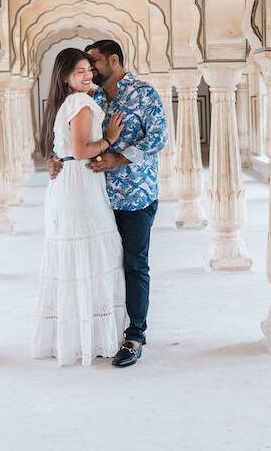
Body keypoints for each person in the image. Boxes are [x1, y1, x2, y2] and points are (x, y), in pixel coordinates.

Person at [47, 39, 167, 368]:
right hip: (95, 195)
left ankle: (135, 335)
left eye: (95, 63)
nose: (90, 69)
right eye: (85, 66)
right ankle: (105, 331)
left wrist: (118, 158)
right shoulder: (92, 96)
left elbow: (158, 137)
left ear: (113, 60)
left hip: (134, 194)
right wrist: (57, 158)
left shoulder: (144, 93)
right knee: (102, 266)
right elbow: (75, 138)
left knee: (134, 264)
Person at [31, 48, 127, 366]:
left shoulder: (68, 101)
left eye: (89, 69)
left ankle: (76, 338)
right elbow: (81, 149)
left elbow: (65, 149)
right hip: (79, 185)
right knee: (91, 254)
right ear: (65, 77)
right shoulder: (81, 102)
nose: (88, 75)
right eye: (79, 72)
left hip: (69, 183)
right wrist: (110, 138)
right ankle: (94, 338)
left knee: (77, 258)